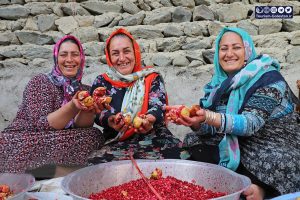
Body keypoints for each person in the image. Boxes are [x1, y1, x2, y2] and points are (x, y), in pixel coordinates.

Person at [166, 27, 300, 199]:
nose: (229, 54)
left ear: (247, 50)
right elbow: (214, 128)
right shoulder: (219, 85)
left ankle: (263, 189)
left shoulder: (269, 78)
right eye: (224, 49)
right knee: (194, 142)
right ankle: (244, 185)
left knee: (277, 161)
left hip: (273, 143)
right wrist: (196, 122)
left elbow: (250, 124)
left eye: (236, 47)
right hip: (240, 141)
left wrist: (207, 116)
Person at [0, 35, 104, 178]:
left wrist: (88, 109)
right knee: (12, 144)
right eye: (63, 55)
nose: (69, 60)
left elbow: (81, 127)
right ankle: (51, 171)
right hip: (30, 136)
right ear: (56, 58)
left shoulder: (84, 90)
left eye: (75, 55)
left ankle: (44, 171)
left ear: (81, 59)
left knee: (93, 135)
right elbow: (42, 124)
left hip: (60, 139)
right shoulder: (40, 82)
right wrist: (73, 106)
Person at [87, 28, 187, 164]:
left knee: (180, 158)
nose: (122, 58)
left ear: (135, 52)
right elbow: (97, 113)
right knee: (97, 166)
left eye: (126, 51)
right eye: (115, 53)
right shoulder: (101, 82)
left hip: (154, 136)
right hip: (117, 139)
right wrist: (111, 120)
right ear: (109, 57)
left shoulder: (151, 77)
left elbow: (158, 105)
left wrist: (148, 120)